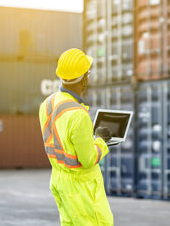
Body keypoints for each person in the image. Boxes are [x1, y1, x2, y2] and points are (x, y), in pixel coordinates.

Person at [38, 48, 114, 225]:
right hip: (81, 188)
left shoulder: (47, 104)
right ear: (85, 79)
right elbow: (87, 159)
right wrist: (101, 140)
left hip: (59, 181)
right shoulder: (78, 115)